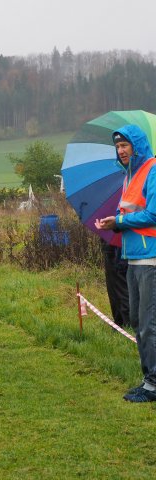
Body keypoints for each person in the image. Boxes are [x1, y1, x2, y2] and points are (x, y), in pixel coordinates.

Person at [95, 125, 156, 402]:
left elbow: (153, 214)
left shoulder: (152, 170)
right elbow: (132, 213)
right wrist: (115, 224)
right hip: (132, 256)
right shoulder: (128, 176)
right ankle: (148, 379)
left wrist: (119, 221)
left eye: (125, 145)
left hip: (150, 257)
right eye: (118, 146)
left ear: (136, 146)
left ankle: (153, 385)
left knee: (148, 323)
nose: (120, 151)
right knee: (136, 320)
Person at [100, 239, 130, 328]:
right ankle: (118, 321)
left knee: (122, 289)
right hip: (110, 249)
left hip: (118, 252)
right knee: (112, 290)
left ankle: (128, 322)